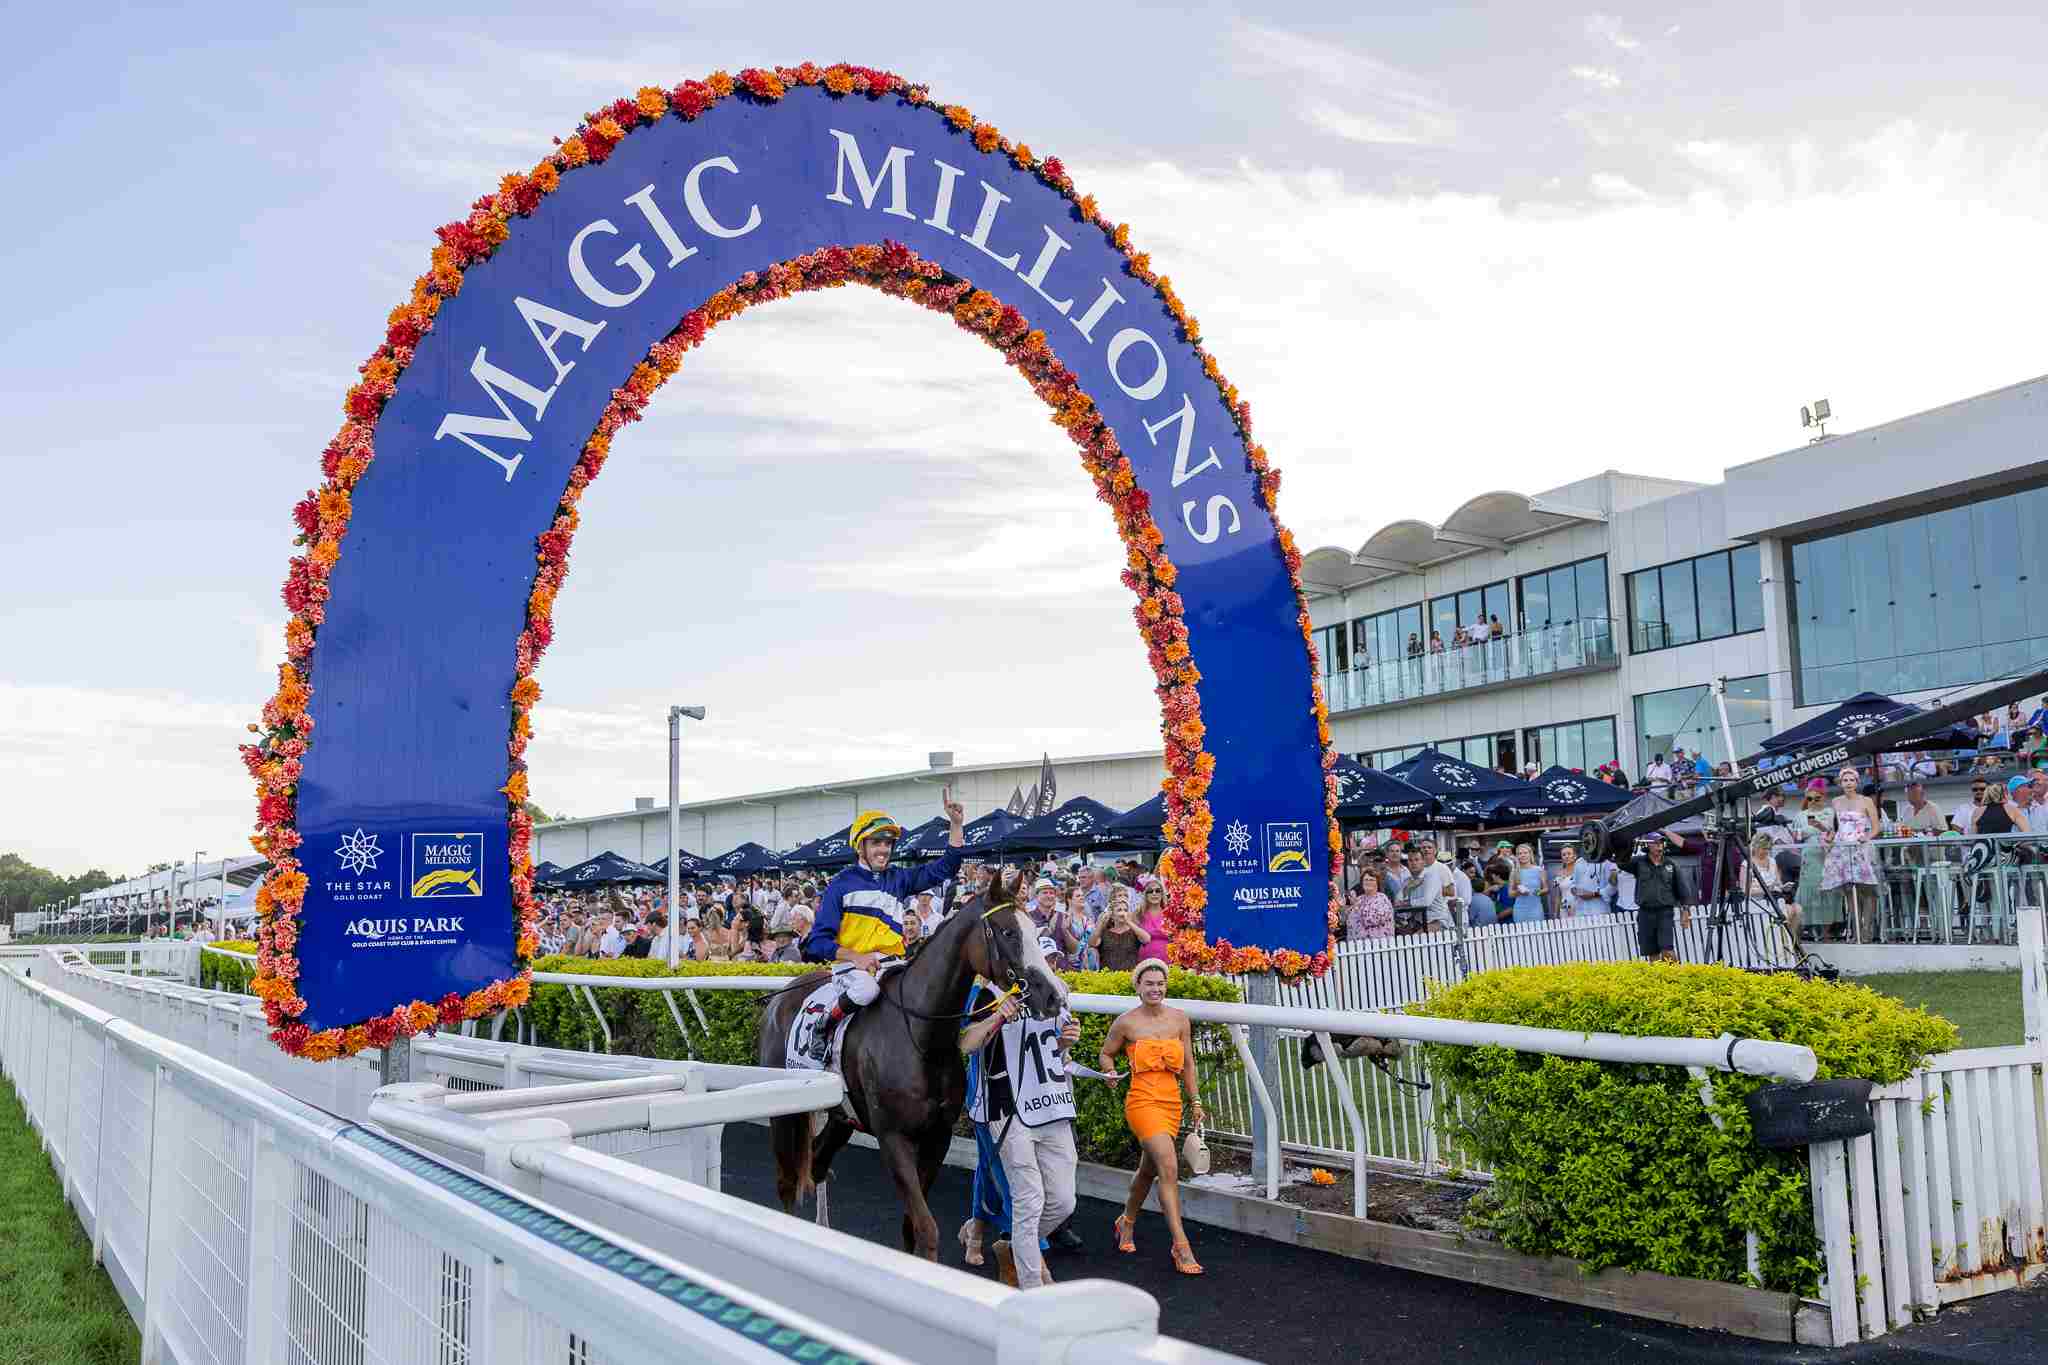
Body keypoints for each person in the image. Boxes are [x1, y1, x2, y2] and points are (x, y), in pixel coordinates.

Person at [798, 793, 969, 1063]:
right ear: (860, 846)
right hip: (852, 972)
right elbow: (818, 941)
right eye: (876, 842)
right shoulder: (841, 884)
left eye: (888, 843)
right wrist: (856, 957)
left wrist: (956, 825)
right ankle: (823, 1026)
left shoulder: (898, 877)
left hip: (893, 967)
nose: (884, 849)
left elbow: (945, 868)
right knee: (866, 990)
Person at [959, 979, 1082, 1290]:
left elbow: (1050, 1048)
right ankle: (1033, 1291)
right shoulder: (986, 994)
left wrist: (1066, 1041)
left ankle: (1014, 1242)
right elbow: (967, 1043)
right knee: (1029, 1200)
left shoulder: (1056, 988)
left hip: (1050, 1104)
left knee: (1063, 1201)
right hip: (1006, 1108)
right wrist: (998, 1016)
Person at [1101, 959, 1204, 1275]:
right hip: (1142, 1101)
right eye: (1149, 983)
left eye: (1160, 983)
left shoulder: (1179, 1020)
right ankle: (1181, 1246)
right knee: (1169, 1166)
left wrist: (1195, 1100)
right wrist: (1110, 1071)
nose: (1155, 988)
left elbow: (1188, 1064)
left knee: (1148, 1170)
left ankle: (1126, 1221)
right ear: (1137, 986)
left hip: (1171, 1102)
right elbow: (1106, 1053)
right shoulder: (1126, 1023)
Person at [1823, 765, 1882, 942]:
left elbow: (1876, 826)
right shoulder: (1836, 802)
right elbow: (1835, 828)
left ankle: (1867, 928)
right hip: (1843, 847)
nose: (1848, 783)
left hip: (1860, 847)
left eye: (1851, 780)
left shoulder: (1866, 801)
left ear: (1857, 782)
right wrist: (1829, 837)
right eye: (1845, 780)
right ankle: (1856, 929)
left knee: (1868, 890)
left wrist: (1867, 836)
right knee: (1849, 891)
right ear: (1840, 783)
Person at [1627, 830, 1692, 961]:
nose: (1659, 846)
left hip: (1664, 912)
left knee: (1667, 950)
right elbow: (1620, 862)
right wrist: (1626, 844)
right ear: (1647, 846)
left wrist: (1685, 912)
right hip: (1645, 912)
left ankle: (1677, 976)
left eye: (1661, 843)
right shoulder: (1638, 863)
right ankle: (1659, 980)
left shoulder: (1671, 864)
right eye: (1655, 843)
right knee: (1652, 953)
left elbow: (1683, 890)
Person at [1742, 832, 1800, 948]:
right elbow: (1745, 890)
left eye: (1768, 849)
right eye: (1764, 848)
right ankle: (1782, 944)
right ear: (1756, 847)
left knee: (1798, 909)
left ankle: (1791, 941)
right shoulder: (1747, 864)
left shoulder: (1772, 862)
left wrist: (1783, 887)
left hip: (1774, 897)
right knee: (1787, 911)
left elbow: (1778, 882)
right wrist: (1765, 889)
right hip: (1758, 901)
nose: (1766, 852)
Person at [1091, 885, 1147, 971]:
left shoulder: (1132, 923)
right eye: (1119, 910)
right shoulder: (1105, 923)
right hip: (1108, 972)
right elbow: (1093, 942)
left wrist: (1128, 921)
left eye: (1126, 896)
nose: (1123, 898)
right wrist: (1102, 923)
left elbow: (1146, 938)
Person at [1344, 872, 1395, 939]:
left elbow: (1371, 920)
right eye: (1366, 880)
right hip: (1357, 944)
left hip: (1378, 944)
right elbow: (1349, 918)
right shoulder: (1359, 899)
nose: (1368, 882)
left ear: (1377, 883)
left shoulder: (1382, 899)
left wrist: (1356, 907)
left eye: (1371, 880)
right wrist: (1345, 907)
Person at [1508, 843, 1547, 924]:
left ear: (1530, 854)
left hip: (1536, 909)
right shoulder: (1514, 872)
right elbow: (1510, 894)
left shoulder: (1539, 870)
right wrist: (1519, 892)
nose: (1523, 855)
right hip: (1520, 910)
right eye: (1520, 853)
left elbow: (1546, 889)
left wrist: (1539, 892)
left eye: (1525, 853)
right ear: (1517, 856)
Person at [1133, 885, 1170, 965]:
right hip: (1145, 960)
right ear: (1146, 895)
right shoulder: (1138, 914)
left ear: (1162, 894)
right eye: (1150, 891)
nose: (1154, 894)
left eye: (1157, 891)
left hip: (1167, 958)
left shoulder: (1169, 913)